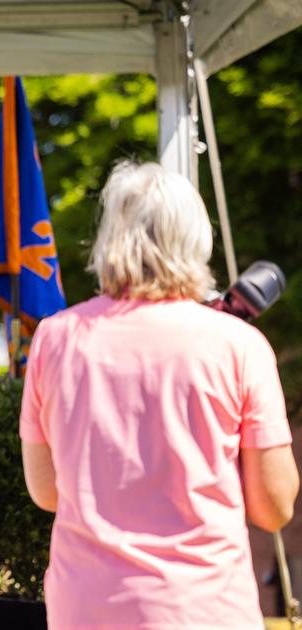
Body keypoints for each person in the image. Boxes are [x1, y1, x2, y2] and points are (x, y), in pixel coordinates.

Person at [19, 161, 298, 629]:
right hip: (202, 608)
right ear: (195, 239)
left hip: (87, 609)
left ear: (109, 238)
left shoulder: (55, 339)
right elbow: (274, 507)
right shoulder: (238, 344)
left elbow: (46, 491)